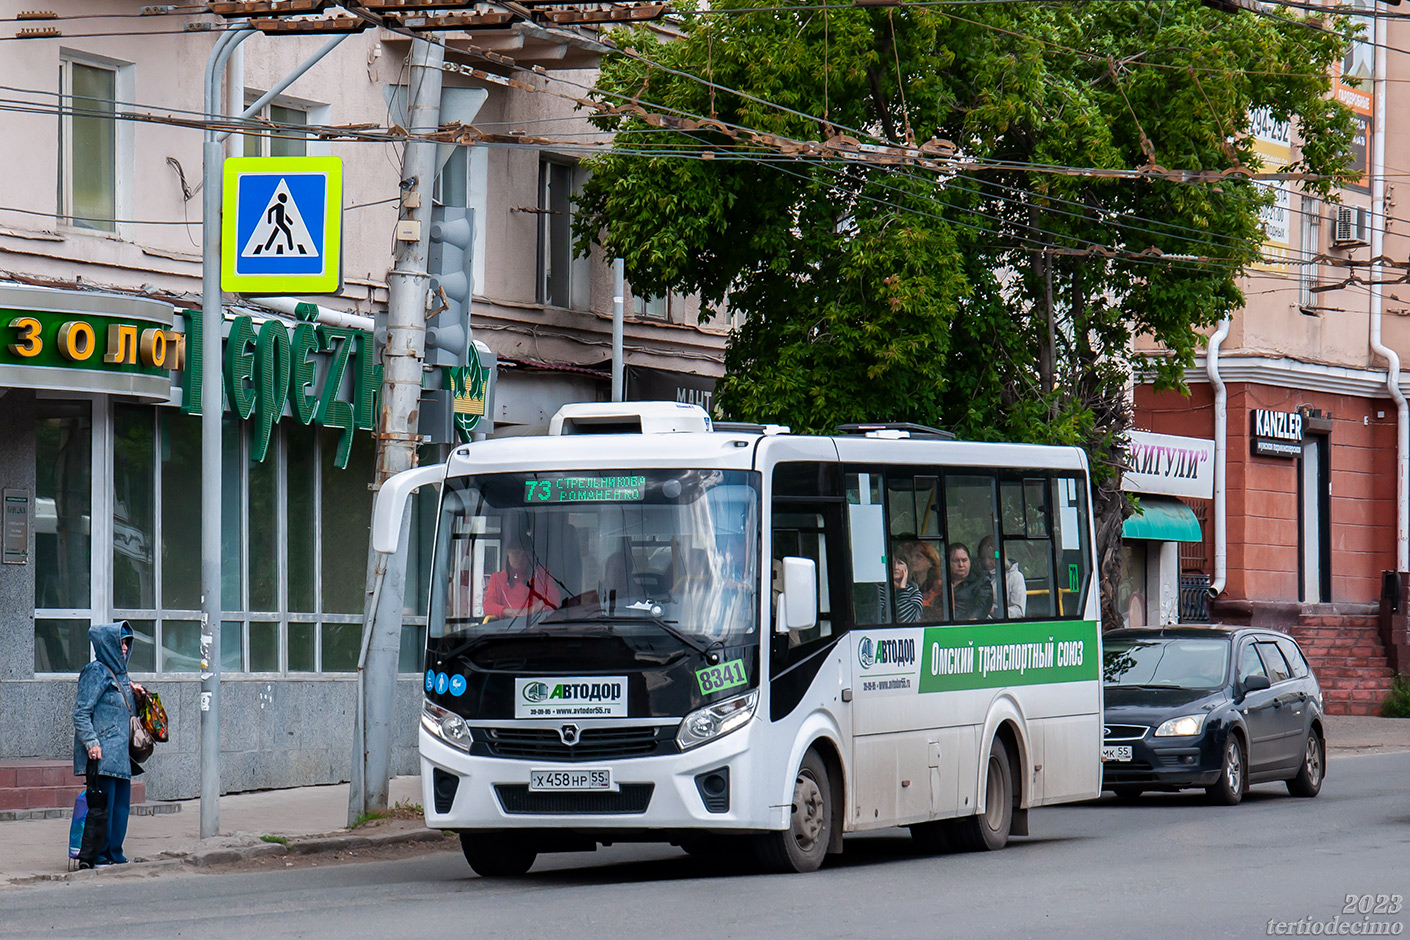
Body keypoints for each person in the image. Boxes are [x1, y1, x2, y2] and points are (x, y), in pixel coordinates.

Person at [72, 621, 145, 868]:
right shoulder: (96, 671)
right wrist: (91, 743)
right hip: (102, 755)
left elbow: (130, 716)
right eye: (120, 642)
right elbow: (81, 712)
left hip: (122, 756)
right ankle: (99, 855)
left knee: (121, 809)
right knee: (104, 808)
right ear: (108, 644)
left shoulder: (124, 676)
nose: (124, 647)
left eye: (127, 643)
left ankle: (116, 853)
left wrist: (139, 699)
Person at [482, 533, 560, 618]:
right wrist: (510, 612)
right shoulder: (497, 578)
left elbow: (554, 600)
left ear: (529, 556)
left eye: (524, 555)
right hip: (508, 628)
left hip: (539, 625)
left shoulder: (542, 575)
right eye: (516, 554)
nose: (519, 559)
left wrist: (530, 611)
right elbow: (488, 606)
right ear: (508, 553)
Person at [977, 535, 1027, 619]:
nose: (986, 562)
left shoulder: (1015, 577)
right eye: (983, 558)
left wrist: (994, 611)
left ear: (1001, 557)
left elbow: (1019, 612)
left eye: (991, 558)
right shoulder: (977, 576)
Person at [901, 540, 945, 618]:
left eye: (918, 556)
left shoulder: (940, 587)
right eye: (911, 556)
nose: (912, 560)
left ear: (930, 562)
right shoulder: (904, 585)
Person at [948, 543, 989, 621]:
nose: (961, 564)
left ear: (970, 561)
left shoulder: (982, 583)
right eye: (956, 560)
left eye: (964, 560)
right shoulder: (939, 582)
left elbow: (980, 610)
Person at [892, 558, 924, 623]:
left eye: (900, 563)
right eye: (892, 562)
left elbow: (907, 621)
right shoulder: (878, 591)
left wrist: (902, 589)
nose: (895, 567)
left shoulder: (914, 593)